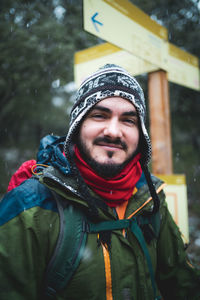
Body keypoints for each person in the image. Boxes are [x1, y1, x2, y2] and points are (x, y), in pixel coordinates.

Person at [0, 64, 200, 300]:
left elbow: (183, 286)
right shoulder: (28, 207)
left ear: (141, 135)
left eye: (128, 120)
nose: (114, 131)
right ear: (77, 127)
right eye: (99, 115)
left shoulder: (150, 198)